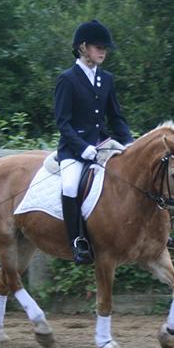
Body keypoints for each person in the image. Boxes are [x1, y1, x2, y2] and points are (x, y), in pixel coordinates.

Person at [54, 19, 134, 263]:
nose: (103, 51)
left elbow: (116, 116)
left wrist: (129, 143)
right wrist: (83, 148)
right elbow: (63, 123)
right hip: (74, 149)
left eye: (104, 48)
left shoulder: (106, 79)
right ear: (83, 47)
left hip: (102, 144)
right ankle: (77, 241)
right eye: (98, 47)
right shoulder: (67, 79)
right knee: (69, 186)